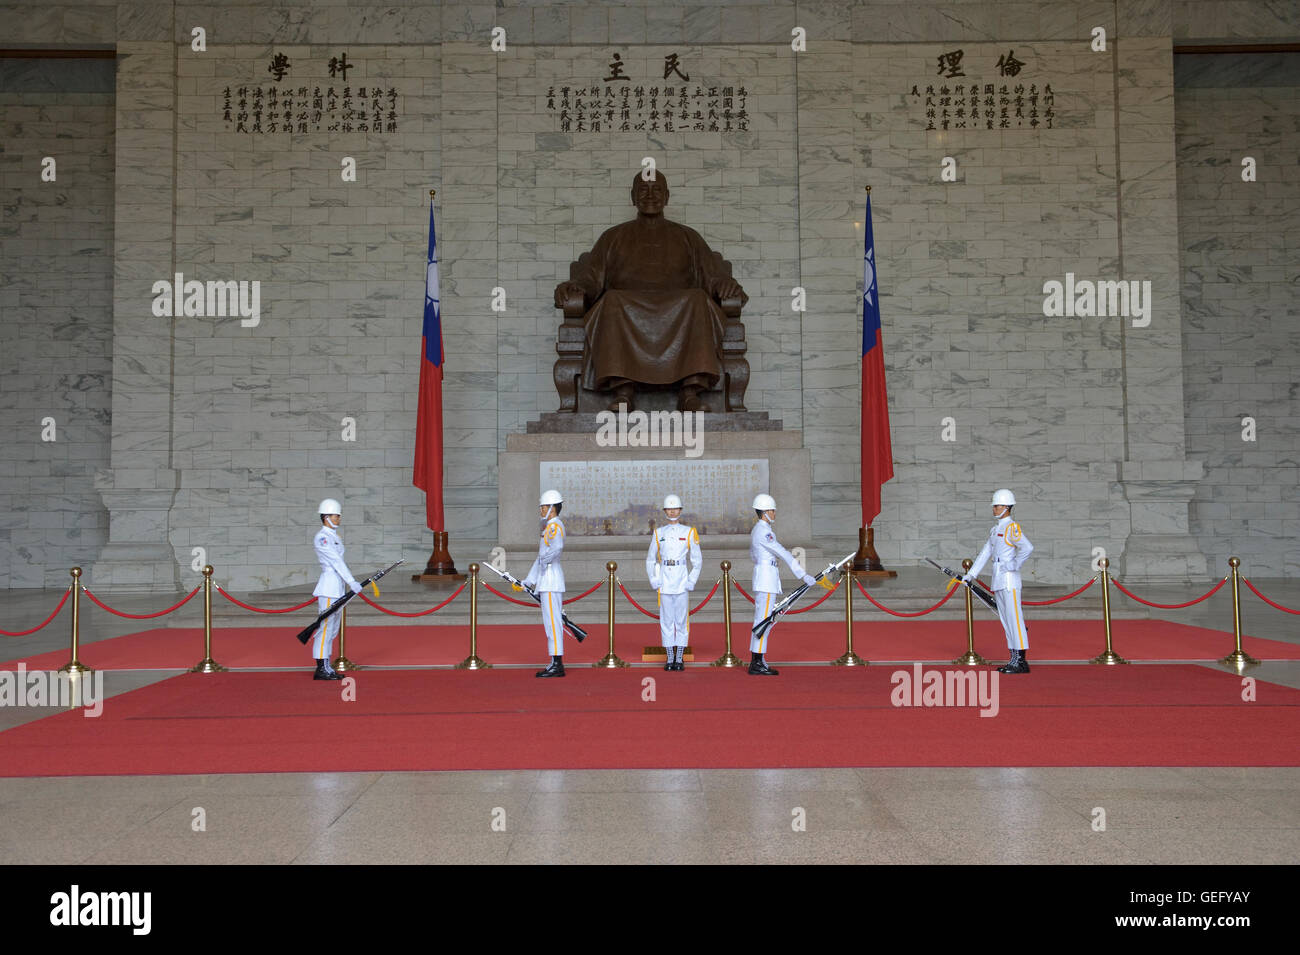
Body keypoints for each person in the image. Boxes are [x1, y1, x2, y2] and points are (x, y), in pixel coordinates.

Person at [554, 171, 747, 411]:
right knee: (611, 299)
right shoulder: (613, 237)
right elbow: (592, 278)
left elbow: (712, 275)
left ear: (666, 197)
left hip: (681, 308)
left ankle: (690, 392)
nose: (650, 195)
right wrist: (576, 286)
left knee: (698, 299)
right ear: (632, 197)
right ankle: (623, 390)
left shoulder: (688, 236)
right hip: (625, 307)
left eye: (657, 190)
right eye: (643, 190)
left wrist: (724, 285)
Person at [962, 488, 1034, 674]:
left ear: (1007, 507)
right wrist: (971, 575)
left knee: (1015, 620)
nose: (994, 508)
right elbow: (985, 553)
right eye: (994, 505)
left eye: (997, 505)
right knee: (1006, 620)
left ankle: (1020, 660)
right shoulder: (996, 530)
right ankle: (1013, 659)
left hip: (1009, 580)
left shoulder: (1012, 527)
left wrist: (1014, 564)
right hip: (999, 579)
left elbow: (1027, 547)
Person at [748, 494, 816, 676]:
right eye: (771, 510)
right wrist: (803, 575)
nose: (774, 513)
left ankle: (758, 660)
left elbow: (753, 555)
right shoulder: (764, 532)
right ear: (764, 513)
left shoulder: (758, 530)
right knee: (764, 621)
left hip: (764, 576)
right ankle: (757, 662)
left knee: (763, 620)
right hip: (766, 579)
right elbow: (784, 553)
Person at [646, 494, 703, 671]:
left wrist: (691, 580)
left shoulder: (688, 532)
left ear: (680, 510)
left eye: (675, 508)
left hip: (680, 580)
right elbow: (650, 559)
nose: (672, 511)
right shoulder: (658, 533)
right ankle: (670, 657)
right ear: (664, 511)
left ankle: (680, 657)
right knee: (666, 620)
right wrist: (654, 580)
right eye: (669, 508)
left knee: (681, 621)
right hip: (664, 581)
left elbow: (697, 560)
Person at [310, 498, 362, 681]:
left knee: (332, 629)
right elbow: (335, 561)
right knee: (325, 628)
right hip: (329, 587)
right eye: (335, 516)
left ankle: (326, 666)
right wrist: (351, 581)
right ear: (326, 517)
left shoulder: (333, 536)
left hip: (337, 586)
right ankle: (321, 668)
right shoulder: (322, 537)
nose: (339, 519)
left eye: (338, 516)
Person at [521, 489, 567, 678]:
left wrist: (545, 560)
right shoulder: (548, 527)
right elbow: (540, 559)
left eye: (543, 507)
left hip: (551, 580)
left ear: (552, 509)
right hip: (546, 580)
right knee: (550, 622)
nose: (541, 510)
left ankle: (557, 664)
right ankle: (554, 661)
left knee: (553, 623)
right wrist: (528, 581)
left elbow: (557, 548)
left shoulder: (555, 526)